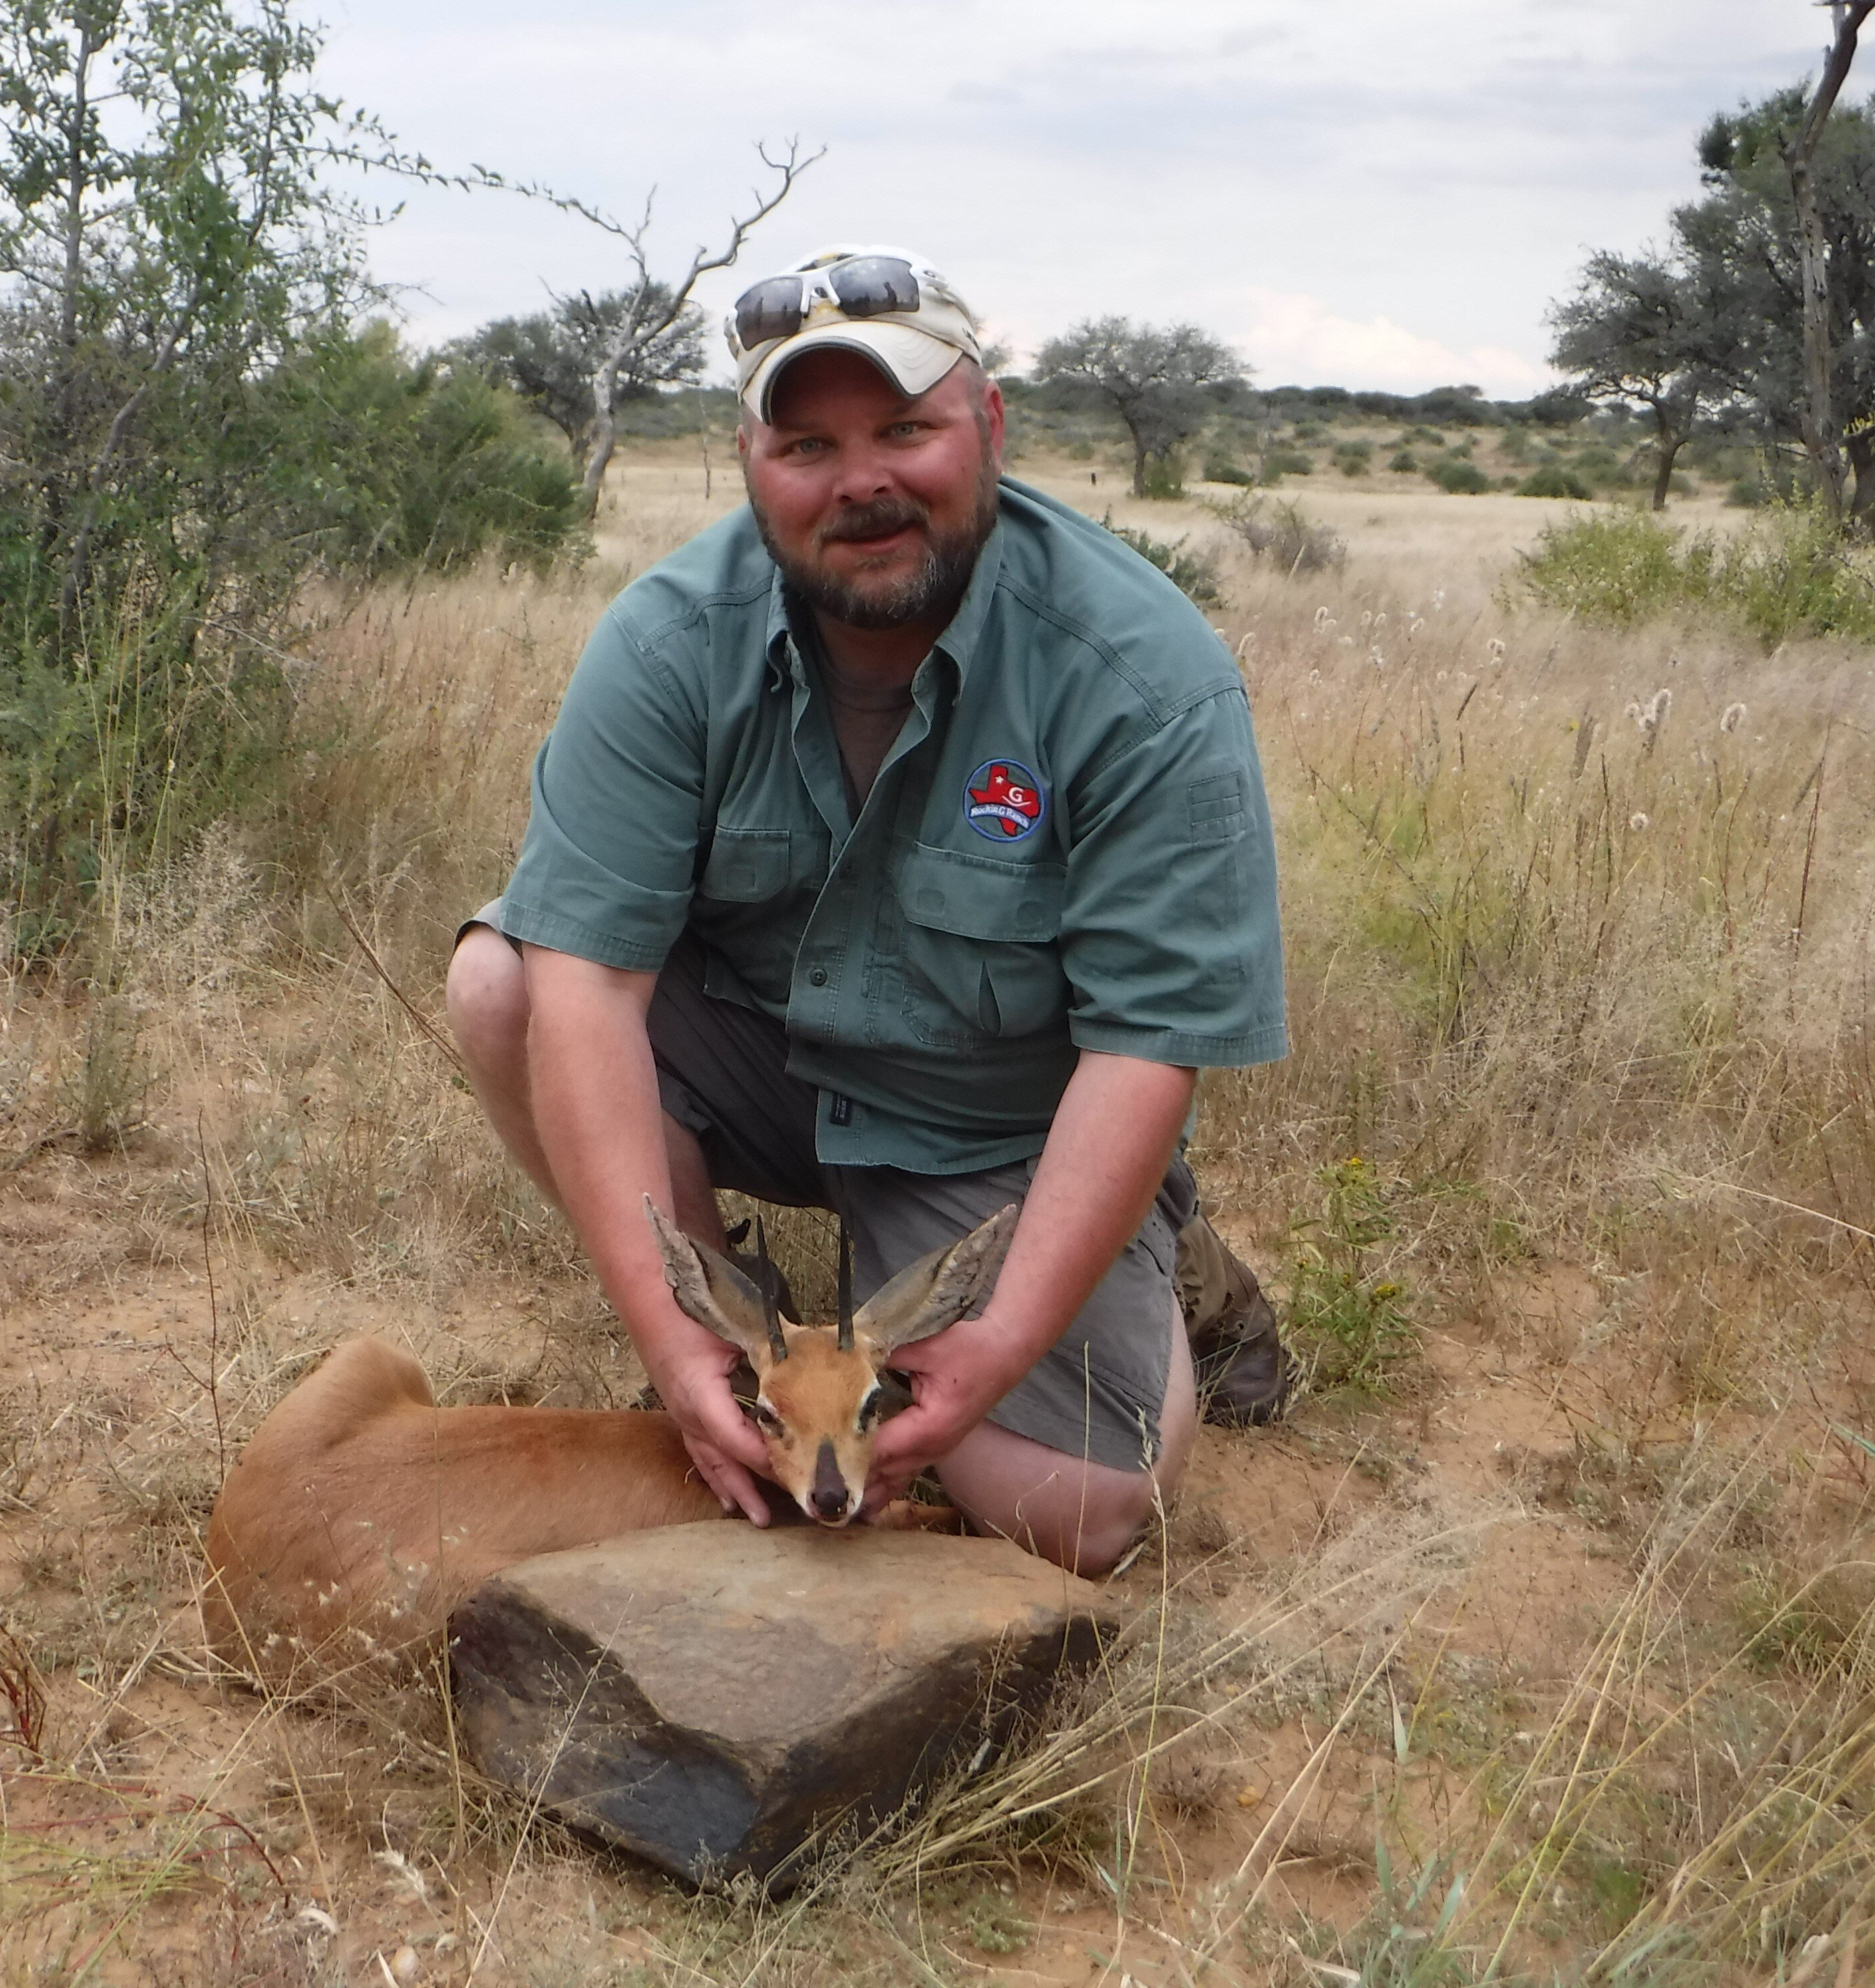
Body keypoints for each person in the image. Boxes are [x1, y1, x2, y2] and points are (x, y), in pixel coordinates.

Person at [446, 245, 1287, 1579]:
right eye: (808, 444)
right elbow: (591, 988)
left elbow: (1146, 1044)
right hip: (763, 1069)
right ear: (748, 461)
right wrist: (677, 1352)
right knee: (501, 984)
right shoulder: (666, 641)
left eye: (907, 428)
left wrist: (1000, 1346)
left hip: (979, 1121)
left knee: (1080, 1516)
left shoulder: (1143, 673)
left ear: (990, 426)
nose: (864, 482)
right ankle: (769, 1355)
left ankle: (1161, 1255)